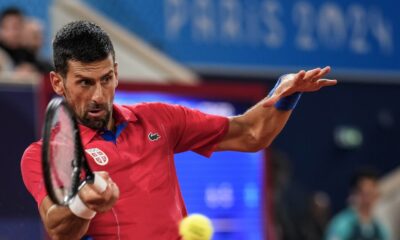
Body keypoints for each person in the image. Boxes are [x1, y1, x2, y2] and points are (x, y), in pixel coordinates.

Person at [20, 20, 337, 240]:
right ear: (58, 82)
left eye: (106, 79)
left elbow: (251, 134)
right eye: (85, 83)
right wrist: (84, 203)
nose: (99, 95)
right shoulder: (41, 155)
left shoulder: (159, 119)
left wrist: (283, 95)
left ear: (116, 72)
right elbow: (59, 228)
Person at [325, 168, 390, 240]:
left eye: (371, 192)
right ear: (354, 193)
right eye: (365, 193)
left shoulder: (379, 228)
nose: (368, 199)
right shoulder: (342, 224)